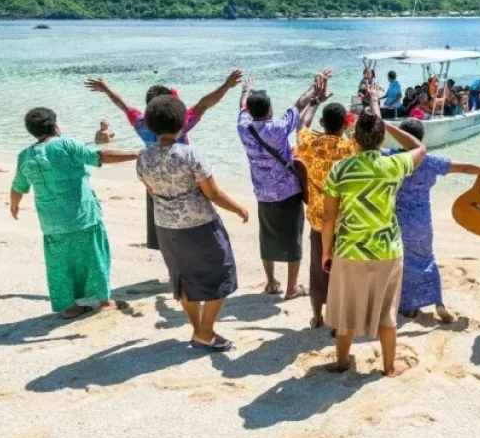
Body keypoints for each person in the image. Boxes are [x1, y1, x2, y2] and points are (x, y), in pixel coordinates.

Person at [321, 83, 427, 377]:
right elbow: (420, 148)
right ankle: (389, 367)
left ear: (353, 138)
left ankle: (342, 362)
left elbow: (329, 218)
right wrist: (388, 124)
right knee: (386, 311)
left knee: (345, 310)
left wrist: (327, 251)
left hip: (349, 249)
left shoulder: (340, 170)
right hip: (387, 248)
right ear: (381, 139)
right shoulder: (394, 165)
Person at [137, 95, 249, 352]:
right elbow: (213, 193)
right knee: (221, 276)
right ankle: (205, 332)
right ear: (181, 125)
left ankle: (199, 331)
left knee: (183, 279)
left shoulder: (143, 157)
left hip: (165, 227)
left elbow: (152, 191)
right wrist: (238, 208)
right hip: (199, 225)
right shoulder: (190, 154)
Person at [85, 71, 242, 250]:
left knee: (167, 233)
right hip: (186, 182)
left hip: (156, 182)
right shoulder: (181, 124)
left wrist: (106, 89)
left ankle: (172, 264)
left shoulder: (141, 124)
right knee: (195, 230)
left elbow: (123, 105)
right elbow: (203, 105)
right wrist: (226, 86)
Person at [10, 108, 140, 319]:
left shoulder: (25, 156)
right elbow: (99, 157)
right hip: (82, 215)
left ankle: (70, 307)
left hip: (51, 222)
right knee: (95, 255)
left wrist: (13, 206)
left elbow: (18, 187)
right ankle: (105, 301)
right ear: (55, 126)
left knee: (59, 264)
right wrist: (139, 153)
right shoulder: (67, 144)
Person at [388, 118, 480, 322]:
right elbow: (466, 168)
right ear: (422, 138)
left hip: (394, 219)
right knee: (426, 258)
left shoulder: (389, 158)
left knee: (400, 261)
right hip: (421, 220)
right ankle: (437, 301)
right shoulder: (431, 162)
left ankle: (407, 307)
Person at [237, 71, 330, 298]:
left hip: (262, 193)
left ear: (250, 111)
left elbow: (242, 106)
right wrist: (314, 89)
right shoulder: (278, 128)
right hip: (288, 192)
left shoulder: (243, 127)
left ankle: (270, 282)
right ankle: (291, 288)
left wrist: (245, 90)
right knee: (293, 239)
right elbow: (298, 105)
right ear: (270, 111)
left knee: (267, 237)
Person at [296, 96, 358, 329]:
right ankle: (340, 319)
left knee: (318, 270)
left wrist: (314, 102)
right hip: (347, 221)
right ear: (346, 125)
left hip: (319, 222)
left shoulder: (310, 144)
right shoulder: (351, 148)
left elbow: (301, 125)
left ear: (322, 122)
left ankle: (317, 316)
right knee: (345, 270)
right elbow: (372, 134)